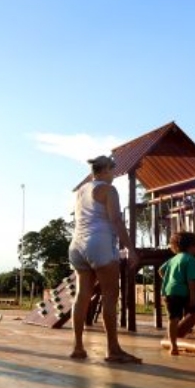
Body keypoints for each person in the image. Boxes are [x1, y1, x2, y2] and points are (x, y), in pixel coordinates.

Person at [67, 155, 141, 363]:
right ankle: (113, 349)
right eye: (112, 170)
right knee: (110, 295)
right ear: (105, 170)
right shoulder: (109, 190)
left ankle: (78, 347)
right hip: (99, 242)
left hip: (76, 246)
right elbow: (115, 219)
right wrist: (131, 250)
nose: (114, 174)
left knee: (82, 295)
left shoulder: (82, 191)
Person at [159, 231, 195, 355]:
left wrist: (170, 280)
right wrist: (192, 296)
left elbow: (161, 270)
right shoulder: (190, 259)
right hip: (184, 292)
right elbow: (191, 280)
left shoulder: (173, 259)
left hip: (169, 292)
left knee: (173, 319)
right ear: (191, 246)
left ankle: (173, 347)